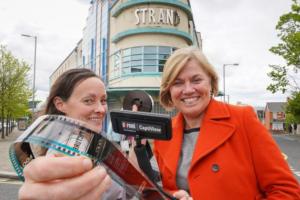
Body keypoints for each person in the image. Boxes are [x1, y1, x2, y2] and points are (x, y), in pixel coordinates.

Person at [154, 46, 300, 200]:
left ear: (211, 81)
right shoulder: (164, 132)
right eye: (178, 83)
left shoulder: (243, 119)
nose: (188, 90)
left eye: (196, 80)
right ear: (169, 90)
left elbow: (287, 192)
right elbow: (166, 189)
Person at [18, 68, 188, 200]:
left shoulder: (98, 144)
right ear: (60, 104)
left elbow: (125, 193)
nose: (100, 109)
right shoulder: (60, 158)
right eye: (88, 101)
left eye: (103, 100)